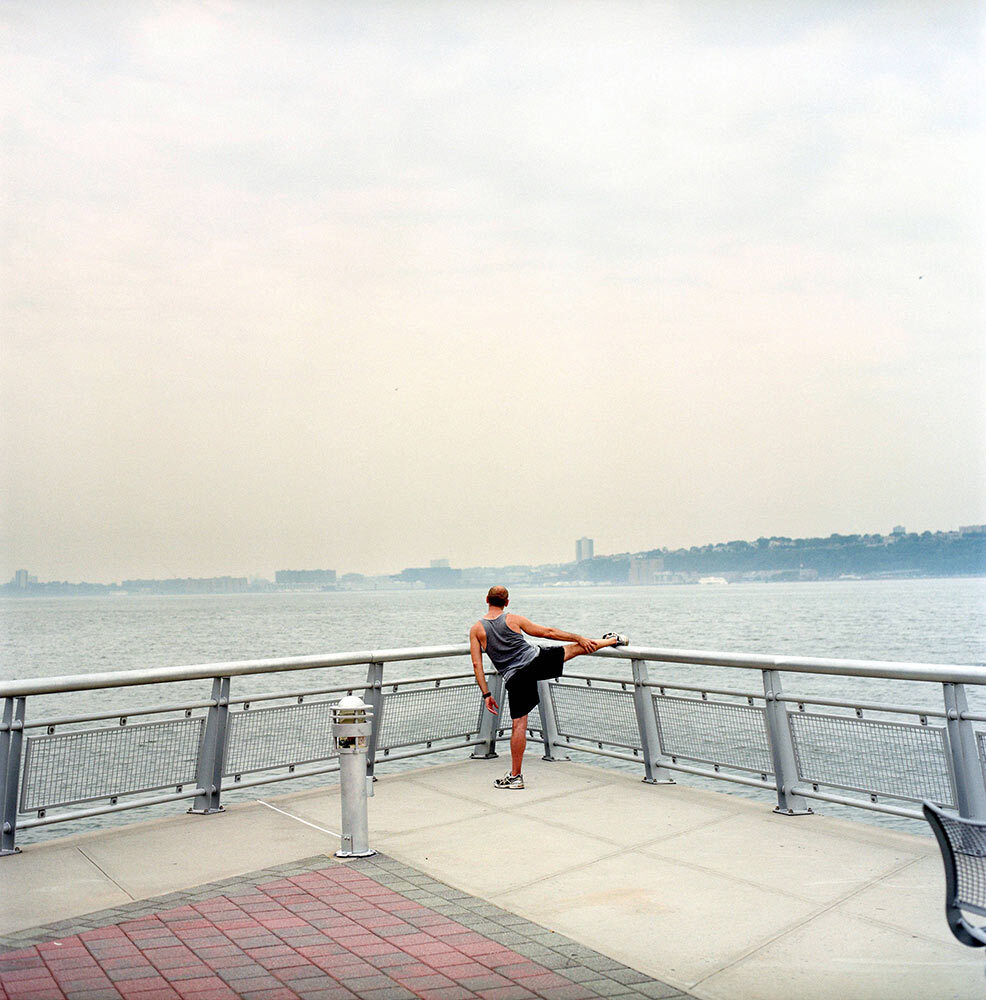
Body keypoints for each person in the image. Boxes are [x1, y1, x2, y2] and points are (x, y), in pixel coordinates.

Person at [469, 585, 628, 789]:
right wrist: (578, 637)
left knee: (519, 725)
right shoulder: (513, 619)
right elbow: (548, 632)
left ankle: (516, 776)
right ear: (507, 602)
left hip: (515, 678)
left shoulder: (476, 629)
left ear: (486, 599)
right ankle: (615, 639)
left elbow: (477, 664)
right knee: (576, 649)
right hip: (536, 661)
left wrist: (487, 694)